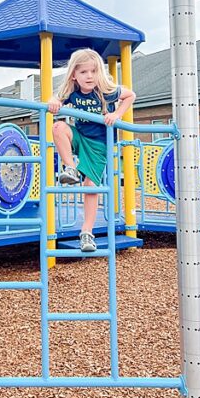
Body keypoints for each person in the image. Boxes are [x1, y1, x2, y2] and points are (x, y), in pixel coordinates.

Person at [48, 48, 135, 252]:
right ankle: (70, 168)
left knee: (90, 185)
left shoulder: (105, 91)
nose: (89, 76)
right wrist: (53, 102)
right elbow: (55, 100)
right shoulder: (72, 92)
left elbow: (130, 95)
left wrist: (117, 115)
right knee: (58, 127)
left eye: (94, 71)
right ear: (74, 75)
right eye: (84, 72)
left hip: (99, 145)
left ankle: (86, 232)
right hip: (81, 137)